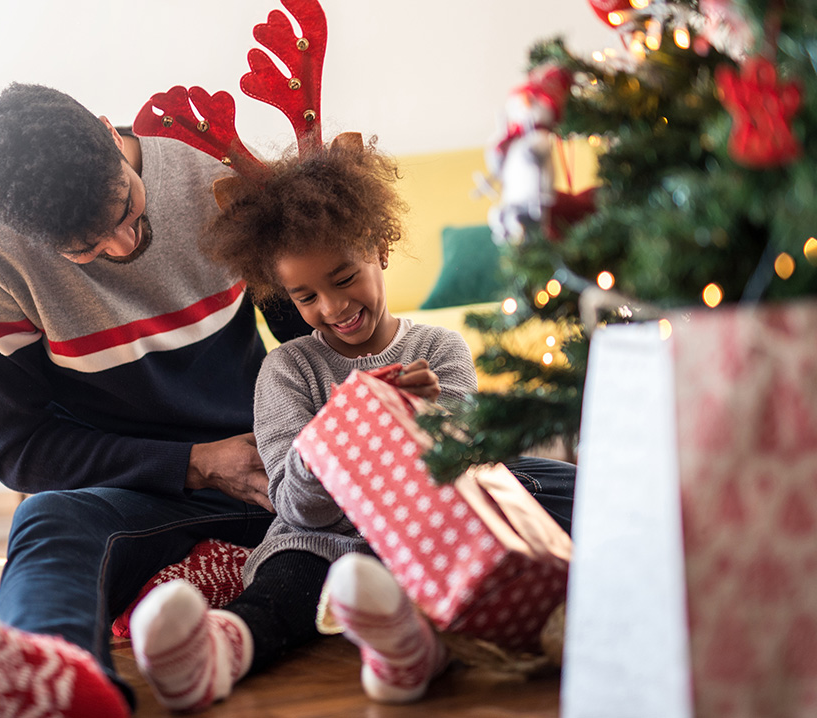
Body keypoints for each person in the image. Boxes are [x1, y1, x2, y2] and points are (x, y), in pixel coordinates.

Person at [0, 82, 310, 718]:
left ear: (111, 134)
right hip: (132, 494)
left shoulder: (209, 171)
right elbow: (20, 449)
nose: (122, 246)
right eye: (85, 248)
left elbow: (307, 326)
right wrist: (196, 462)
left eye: (128, 208)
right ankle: (62, 687)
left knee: (493, 475)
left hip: (277, 474)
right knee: (48, 523)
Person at [127, 132, 577, 711]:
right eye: (306, 296)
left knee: (538, 489)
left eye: (344, 278)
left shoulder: (439, 349)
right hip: (321, 541)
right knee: (284, 584)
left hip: (429, 534)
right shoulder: (287, 370)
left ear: (380, 249)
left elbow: (472, 466)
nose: (333, 307)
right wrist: (335, 433)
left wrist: (430, 417)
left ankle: (413, 647)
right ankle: (218, 651)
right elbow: (293, 506)